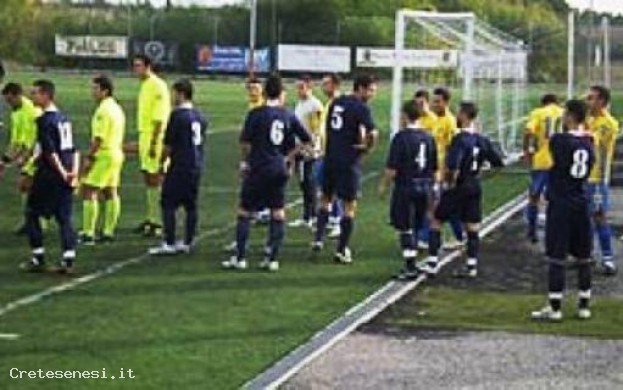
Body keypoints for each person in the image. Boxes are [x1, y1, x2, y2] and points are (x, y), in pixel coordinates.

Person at [222, 74, 311, 272]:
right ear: (281, 93)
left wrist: (246, 161)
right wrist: (288, 157)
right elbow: (306, 139)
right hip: (278, 168)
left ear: (265, 92)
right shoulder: (287, 114)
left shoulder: (256, 113)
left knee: (245, 211)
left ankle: (240, 257)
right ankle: (272, 259)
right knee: (277, 212)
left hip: (258, 166)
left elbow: (245, 142)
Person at [421, 102, 504, 278]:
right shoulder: (482, 140)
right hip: (474, 186)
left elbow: (453, 167)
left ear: (465, 115)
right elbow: (498, 164)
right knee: (472, 227)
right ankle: (471, 266)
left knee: (436, 219)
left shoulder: (459, 140)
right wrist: (481, 176)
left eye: (459, 113)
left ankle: (432, 263)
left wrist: (448, 184)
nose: (457, 116)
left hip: (458, 186)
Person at [531, 99, 595, 322]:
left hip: (561, 203)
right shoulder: (589, 142)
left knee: (557, 256)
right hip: (581, 201)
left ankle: (555, 307)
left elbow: (554, 154)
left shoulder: (559, 140)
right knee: (584, 257)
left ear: (570, 116)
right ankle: (584, 306)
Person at [313, 74, 379, 264]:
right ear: (361, 88)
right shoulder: (361, 107)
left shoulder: (336, 102)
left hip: (331, 157)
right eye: (371, 90)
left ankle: (318, 239)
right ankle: (341, 250)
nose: (372, 94)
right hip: (348, 161)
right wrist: (367, 147)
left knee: (326, 199)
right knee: (350, 206)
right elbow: (373, 132)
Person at [22, 80, 79, 274]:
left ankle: (38, 257)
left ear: (46, 95)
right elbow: (74, 149)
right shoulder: (64, 118)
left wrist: (62, 173)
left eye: (35, 93)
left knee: (31, 213)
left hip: (50, 175)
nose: (32, 96)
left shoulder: (44, 121)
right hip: (68, 171)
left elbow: (50, 152)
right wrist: (74, 173)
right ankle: (68, 258)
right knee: (64, 218)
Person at [379, 101, 437, 280]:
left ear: (405, 115)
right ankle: (430, 261)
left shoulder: (401, 138)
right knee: (419, 225)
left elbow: (392, 168)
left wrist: (384, 185)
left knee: (405, 227)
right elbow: (435, 167)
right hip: (425, 185)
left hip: (406, 186)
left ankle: (410, 266)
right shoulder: (428, 137)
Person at [150, 79, 208, 256]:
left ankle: (169, 242)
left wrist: (161, 164)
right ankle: (188, 241)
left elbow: (169, 145)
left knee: (168, 203)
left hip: (180, 164)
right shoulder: (200, 116)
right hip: (196, 165)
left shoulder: (177, 116)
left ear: (181, 94)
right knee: (191, 205)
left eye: (174, 93)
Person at [79, 75, 126, 245]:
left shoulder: (103, 111)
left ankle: (88, 233)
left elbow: (98, 138)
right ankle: (108, 231)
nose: (92, 92)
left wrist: (90, 157)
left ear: (105, 91)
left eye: (95, 89)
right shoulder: (116, 108)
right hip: (116, 152)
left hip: (104, 154)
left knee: (88, 190)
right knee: (110, 192)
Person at [132, 54, 171, 237]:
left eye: (139, 66)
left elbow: (160, 117)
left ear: (148, 66)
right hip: (145, 135)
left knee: (156, 177)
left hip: (155, 136)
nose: (136, 69)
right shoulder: (145, 85)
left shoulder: (158, 86)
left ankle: (159, 221)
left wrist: (155, 142)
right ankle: (152, 217)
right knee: (148, 178)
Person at [585, 85, 619, 275]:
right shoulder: (588, 119)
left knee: (599, 217)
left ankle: (607, 258)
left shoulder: (608, 123)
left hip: (597, 179)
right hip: (583, 177)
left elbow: (593, 142)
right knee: (584, 217)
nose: (588, 101)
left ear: (602, 102)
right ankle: (587, 255)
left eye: (591, 98)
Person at [0, 82, 42, 233]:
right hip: (29, 151)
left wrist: (24, 156)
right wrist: (4, 161)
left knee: (28, 185)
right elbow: (15, 141)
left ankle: (36, 222)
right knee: (26, 187)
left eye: (10, 100)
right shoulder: (16, 112)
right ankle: (31, 221)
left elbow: (33, 138)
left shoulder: (31, 111)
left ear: (18, 95)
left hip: (38, 151)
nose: (8, 103)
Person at [523, 94, 563, 243]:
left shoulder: (538, 113)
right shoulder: (564, 113)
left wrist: (526, 151)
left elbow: (528, 131)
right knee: (556, 198)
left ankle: (532, 230)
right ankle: (555, 231)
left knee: (534, 197)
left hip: (541, 160)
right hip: (560, 161)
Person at [430, 87, 465, 250]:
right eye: (433, 101)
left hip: (443, 171)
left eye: (437, 101)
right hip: (432, 169)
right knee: (434, 205)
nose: (434, 104)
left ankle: (459, 235)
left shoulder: (450, 122)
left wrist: (449, 173)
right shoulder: (433, 119)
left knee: (444, 205)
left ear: (446, 102)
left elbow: (453, 150)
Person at [290, 75, 323, 229]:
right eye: (298, 87)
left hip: (307, 150)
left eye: (302, 87)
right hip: (299, 148)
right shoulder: (300, 104)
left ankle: (311, 215)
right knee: (304, 183)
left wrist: (312, 147)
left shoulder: (314, 105)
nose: (299, 90)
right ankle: (308, 215)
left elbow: (316, 129)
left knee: (308, 182)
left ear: (310, 87)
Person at [413, 89, 439, 249]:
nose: (419, 106)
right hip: (415, 169)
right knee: (416, 205)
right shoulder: (414, 119)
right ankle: (417, 236)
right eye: (417, 103)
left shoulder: (433, 120)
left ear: (427, 103)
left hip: (430, 168)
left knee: (429, 205)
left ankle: (425, 237)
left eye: (422, 103)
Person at [319, 73, 343, 239]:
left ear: (334, 85)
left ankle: (338, 220)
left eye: (325, 83)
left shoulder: (339, 104)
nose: (322, 87)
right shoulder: (329, 103)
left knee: (334, 189)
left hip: (335, 153)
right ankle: (332, 218)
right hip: (326, 152)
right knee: (325, 188)